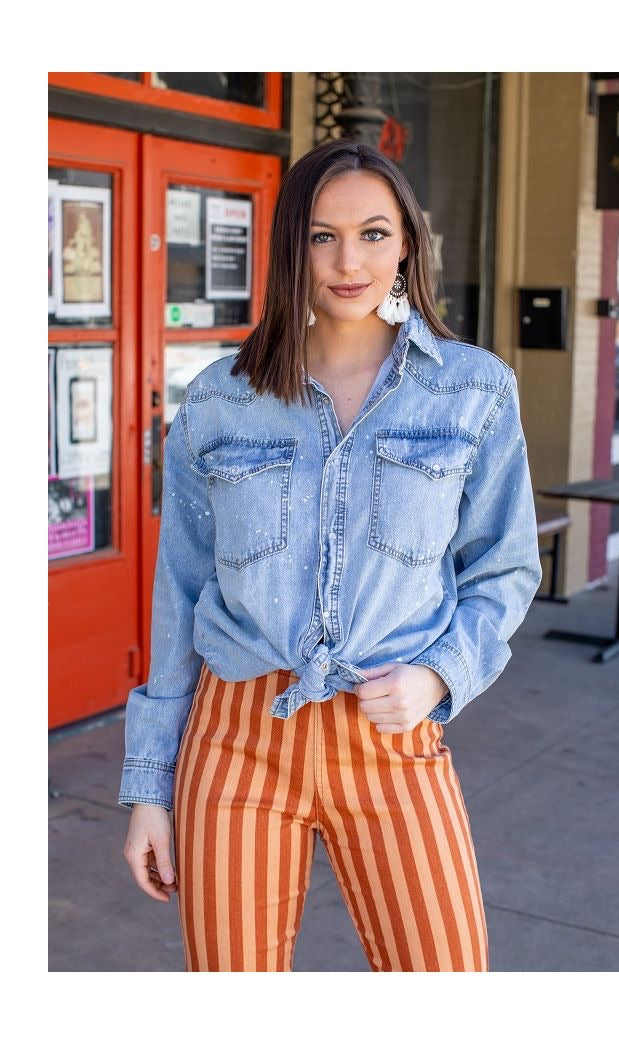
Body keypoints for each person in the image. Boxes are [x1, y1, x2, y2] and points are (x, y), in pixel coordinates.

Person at [119, 138, 543, 972]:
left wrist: (439, 675)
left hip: (391, 733)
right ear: (291, 247)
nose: (350, 261)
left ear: (408, 245)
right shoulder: (221, 399)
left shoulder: (472, 389)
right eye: (322, 236)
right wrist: (148, 787)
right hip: (236, 738)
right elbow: (180, 595)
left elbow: (505, 568)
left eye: (374, 234)